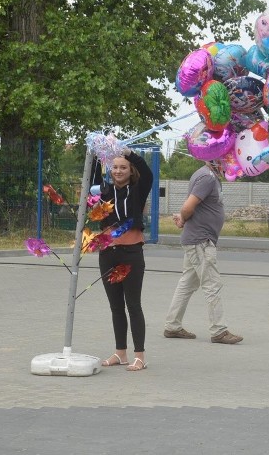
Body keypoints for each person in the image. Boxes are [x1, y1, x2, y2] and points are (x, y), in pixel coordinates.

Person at [163, 161, 243, 344]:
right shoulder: (207, 177)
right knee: (212, 285)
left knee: (187, 284)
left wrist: (184, 218)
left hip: (197, 239)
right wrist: (183, 218)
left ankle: (172, 326)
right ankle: (219, 330)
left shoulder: (209, 175)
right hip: (201, 241)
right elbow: (187, 207)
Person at [95, 147, 153, 371]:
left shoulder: (138, 189)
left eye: (123, 167)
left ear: (130, 170)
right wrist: (95, 154)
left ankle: (140, 356)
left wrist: (128, 152)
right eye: (115, 167)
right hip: (107, 252)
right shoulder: (104, 191)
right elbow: (93, 175)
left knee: (133, 304)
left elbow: (148, 173)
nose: (118, 171)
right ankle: (121, 353)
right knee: (116, 306)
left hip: (131, 253)